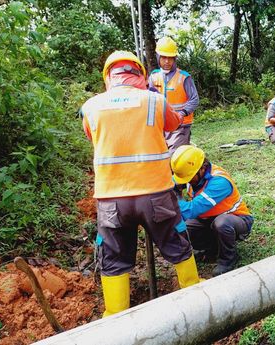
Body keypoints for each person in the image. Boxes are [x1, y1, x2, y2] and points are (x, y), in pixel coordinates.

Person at [81, 51, 201, 317]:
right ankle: (193, 293)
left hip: (111, 198)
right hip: (155, 193)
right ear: (141, 75)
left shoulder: (90, 106)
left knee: (113, 255)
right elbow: (173, 123)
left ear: (107, 76)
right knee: (175, 241)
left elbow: (91, 134)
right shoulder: (154, 101)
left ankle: (115, 313)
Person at [170, 145, 253, 276]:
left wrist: (173, 199)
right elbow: (172, 182)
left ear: (202, 169)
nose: (186, 182)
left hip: (235, 219)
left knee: (221, 223)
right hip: (207, 219)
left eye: (188, 178)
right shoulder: (191, 172)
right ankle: (212, 248)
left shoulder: (219, 182)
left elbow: (190, 211)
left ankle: (228, 259)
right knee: (186, 228)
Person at [148, 37, 199, 153]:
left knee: (175, 157)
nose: (167, 61)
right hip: (160, 126)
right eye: (164, 57)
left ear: (175, 59)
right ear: (158, 57)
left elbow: (194, 99)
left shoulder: (184, 77)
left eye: (170, 58)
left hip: (180, 126)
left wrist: (182, 113)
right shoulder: (153, 77)